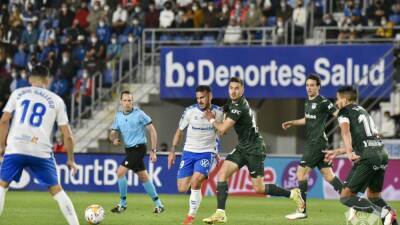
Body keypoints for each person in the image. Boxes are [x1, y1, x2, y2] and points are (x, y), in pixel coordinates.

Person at [202, 77, 304, 224]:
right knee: (222, 174)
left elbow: (223, 128)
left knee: (259, 188)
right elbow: (223, 121)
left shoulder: (239, 106)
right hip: (243, 147)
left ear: (243, 90)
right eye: (231, 88)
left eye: (237, 88)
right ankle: (220, 213)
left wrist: (211, 120)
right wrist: (213, 111)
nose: (233, 91)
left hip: (255, 148)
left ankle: (293, 194)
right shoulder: (232, 103)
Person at [0, 65, 79, 225]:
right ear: (47, 80)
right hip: (41, 152)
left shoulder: (18, 93)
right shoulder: (57, 100)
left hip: (16, 147)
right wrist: (71, 159)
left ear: (30, 79)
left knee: (2, 186)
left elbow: (4, 120)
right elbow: (68, 135)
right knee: (57, 190)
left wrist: (1, 145)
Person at [324, 86, 398, 225]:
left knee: (346, 197)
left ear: (344, 99)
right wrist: (339, 151)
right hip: (381, 154)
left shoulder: (344, 111)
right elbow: (365, 139)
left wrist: (349, 151)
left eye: (338, 99)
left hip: (368, 156)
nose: (336, 102)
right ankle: (390, 217)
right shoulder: (362, 110)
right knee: (374, 196)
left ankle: (384, 213)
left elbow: (345, 132)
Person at [281, 75, 343, 219]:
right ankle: (353, 201)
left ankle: (301, 211)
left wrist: (349, 120)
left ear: (318, 87)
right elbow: (308, 119)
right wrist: (292, 122)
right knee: (329, 176)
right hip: (318, 143)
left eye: (312, 85)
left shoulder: (322, 101)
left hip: (316, 143)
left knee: (301, 174)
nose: (309, 87)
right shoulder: (308, 101)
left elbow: (337, 114)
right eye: (307, 85)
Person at [168, 85, 223, 225]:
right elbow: (179, 131)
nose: (200, 100)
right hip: (189, 152)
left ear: (210, 96)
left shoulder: (218, 112)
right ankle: (200, 177)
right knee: (181, 188)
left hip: (206, 152)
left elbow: (222, 132)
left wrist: (216, 150)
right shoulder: (189, 112)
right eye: (197, 98)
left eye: (202, 97)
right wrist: (172, 151)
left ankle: (190, 217)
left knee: (195, 181)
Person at [109, 91, 164, 213]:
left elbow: (152, 131)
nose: (127, 103)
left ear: (132, 102)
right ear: (121, 102)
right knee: (144, 177)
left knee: (120, 172)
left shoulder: (139, 114)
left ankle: (122, 204)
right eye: (125, 100)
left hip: (139, 148)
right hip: (129, 150)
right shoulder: (118, 116)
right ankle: (159, 204)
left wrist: (153, 151)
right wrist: (114, 139)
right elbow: (112, 133)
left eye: (130, 100)